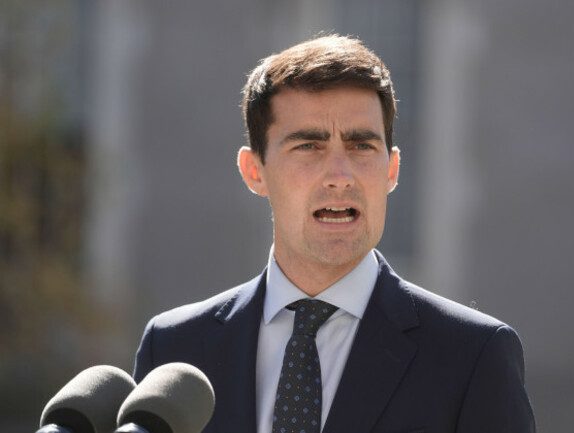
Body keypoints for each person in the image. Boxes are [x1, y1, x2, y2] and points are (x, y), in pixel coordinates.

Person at [133, 35, 536, 433]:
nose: (340, 177)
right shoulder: (173, 350)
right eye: (309, 146)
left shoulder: (472, 356)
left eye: (362, 147)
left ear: (391, 170)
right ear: (255, 171)